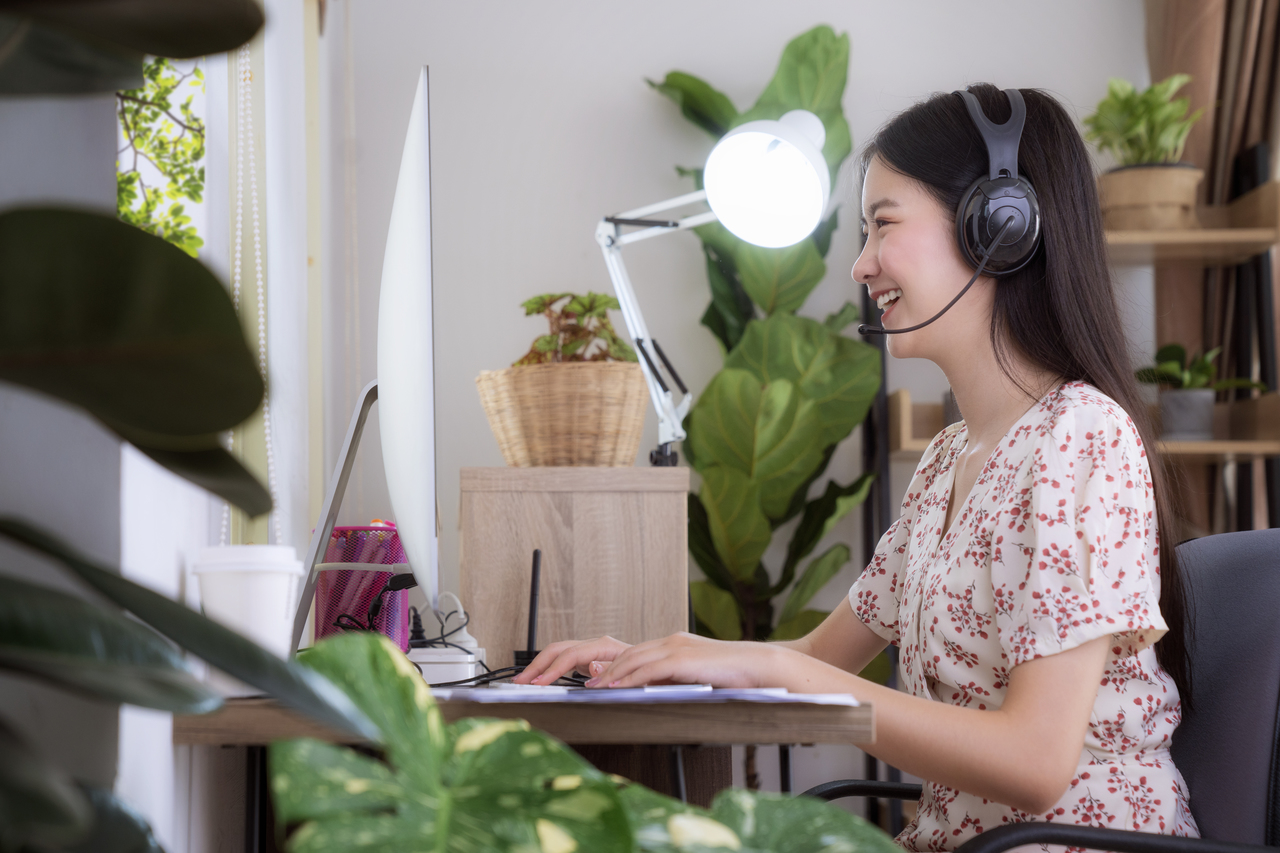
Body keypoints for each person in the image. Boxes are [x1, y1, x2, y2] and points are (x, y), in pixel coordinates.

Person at [515, 84, 1199, 849]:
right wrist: (665, 654)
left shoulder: (1081, 436)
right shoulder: (950, 459)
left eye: (882, 225)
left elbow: (1037, 761)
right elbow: (819, 655)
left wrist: (805, 682)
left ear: (997, 227)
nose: (861, 265)